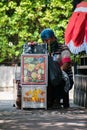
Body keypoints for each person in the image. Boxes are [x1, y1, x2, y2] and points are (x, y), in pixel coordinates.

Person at [40, 28, 74, 108]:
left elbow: (66, 64)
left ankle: (56, 101)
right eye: (44, 41)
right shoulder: (45, 51)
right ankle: (48, 101)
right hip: (51, 77)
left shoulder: (63, 48)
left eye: (47, 40)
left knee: (56, 80)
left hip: (64, 77)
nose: (46, 43)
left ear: (53, 38)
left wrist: (56, 73)